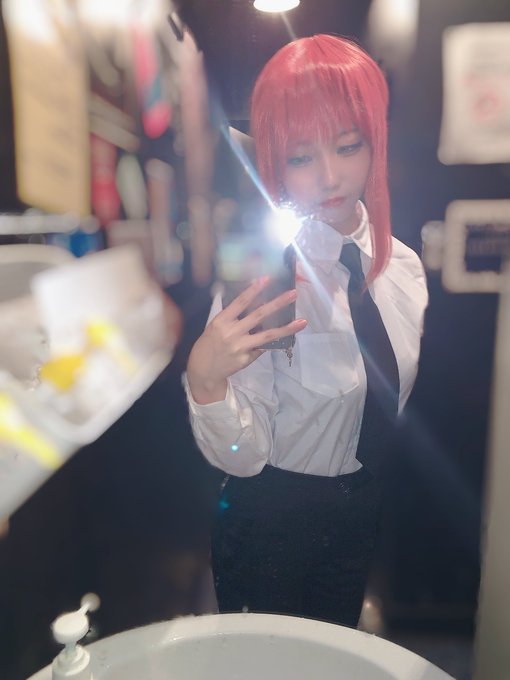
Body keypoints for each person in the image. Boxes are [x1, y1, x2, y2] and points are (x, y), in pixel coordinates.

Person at [184, 34, 428, 628]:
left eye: (347, 145)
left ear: (375, 141)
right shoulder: (264, 277)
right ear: (274, 162)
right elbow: (244, 458)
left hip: (360, 510)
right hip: (270, 522)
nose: (329, 175)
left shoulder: (404, 269)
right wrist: (207, 385)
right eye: (300, 157)